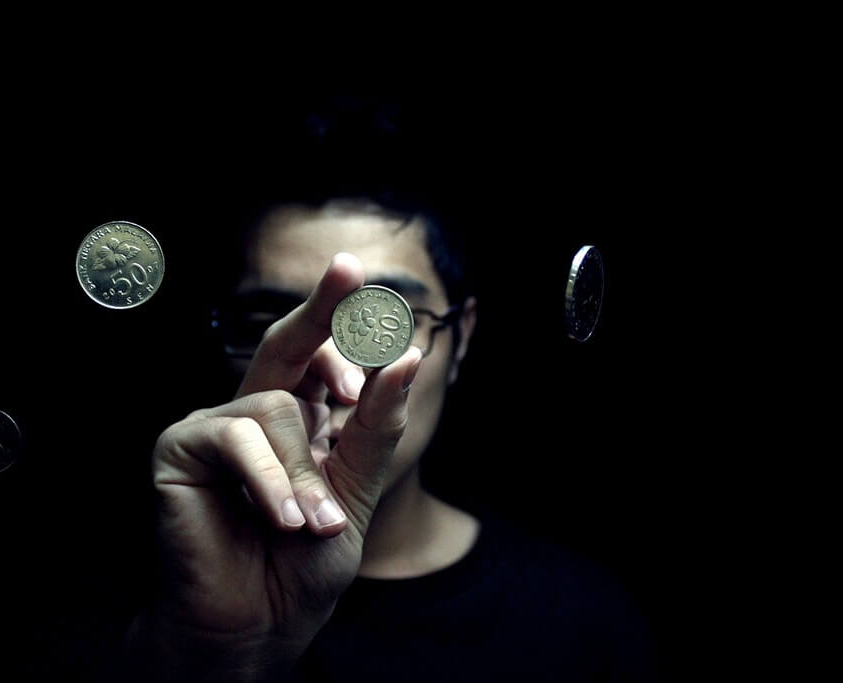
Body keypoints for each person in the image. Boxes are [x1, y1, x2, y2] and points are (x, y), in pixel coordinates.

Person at [124, 100, 657, 682]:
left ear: (461, 337)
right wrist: (214, 657)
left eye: (379, 327)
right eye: (268, 323)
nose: (331, 368)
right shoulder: (137, 609)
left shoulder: (585, 626)